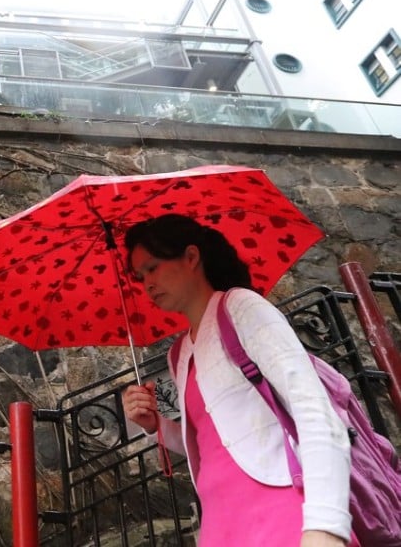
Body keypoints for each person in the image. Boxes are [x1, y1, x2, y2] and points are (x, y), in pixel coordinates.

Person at [120, 214, 355, 547]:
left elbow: (311, 406)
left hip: (279, 501)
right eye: (140, 276)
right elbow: (214, 440)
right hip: (219, 519)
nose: (147, 284)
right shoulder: (179, 354)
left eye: (153, 267)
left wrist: (326, 525)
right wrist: (154, 424)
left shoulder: (241, 307)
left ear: (190, 257)